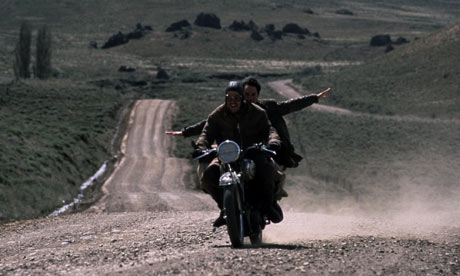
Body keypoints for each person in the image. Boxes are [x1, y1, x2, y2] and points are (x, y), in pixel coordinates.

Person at [195, 81, 282, 227]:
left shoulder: (257, 112)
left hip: (253, 152)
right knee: (209, 176)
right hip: (226, 155)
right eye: (229, 97)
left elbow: (270, 130)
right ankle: (225, 209)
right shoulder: (217, 114)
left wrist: (273, 141)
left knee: (267, 170)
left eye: (236, 98)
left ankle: (267, 206)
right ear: (225, 98)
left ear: (242, 98)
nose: (233, 101)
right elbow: (206, 133)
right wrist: (201, 147)